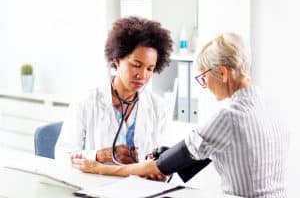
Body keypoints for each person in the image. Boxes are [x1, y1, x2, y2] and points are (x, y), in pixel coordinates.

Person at [71, 32, 290, 197]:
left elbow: (160, 166)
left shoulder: (229, 116)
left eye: (203, 77)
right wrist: (165, 159)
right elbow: (196, 155)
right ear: (116, 61)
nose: (204, 86)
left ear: (222, 72)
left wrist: (99, 168)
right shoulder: (273, 105)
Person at [55, 16, 173, 165]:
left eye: (150, 68)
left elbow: (166, 157)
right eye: (136, 65)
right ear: (116, 60)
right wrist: (100, 155)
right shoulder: (86, 102)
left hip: (142, 185)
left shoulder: (157, 106)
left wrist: (160, 169)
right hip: (97, 184)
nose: (142, 75)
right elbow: (62, 156)